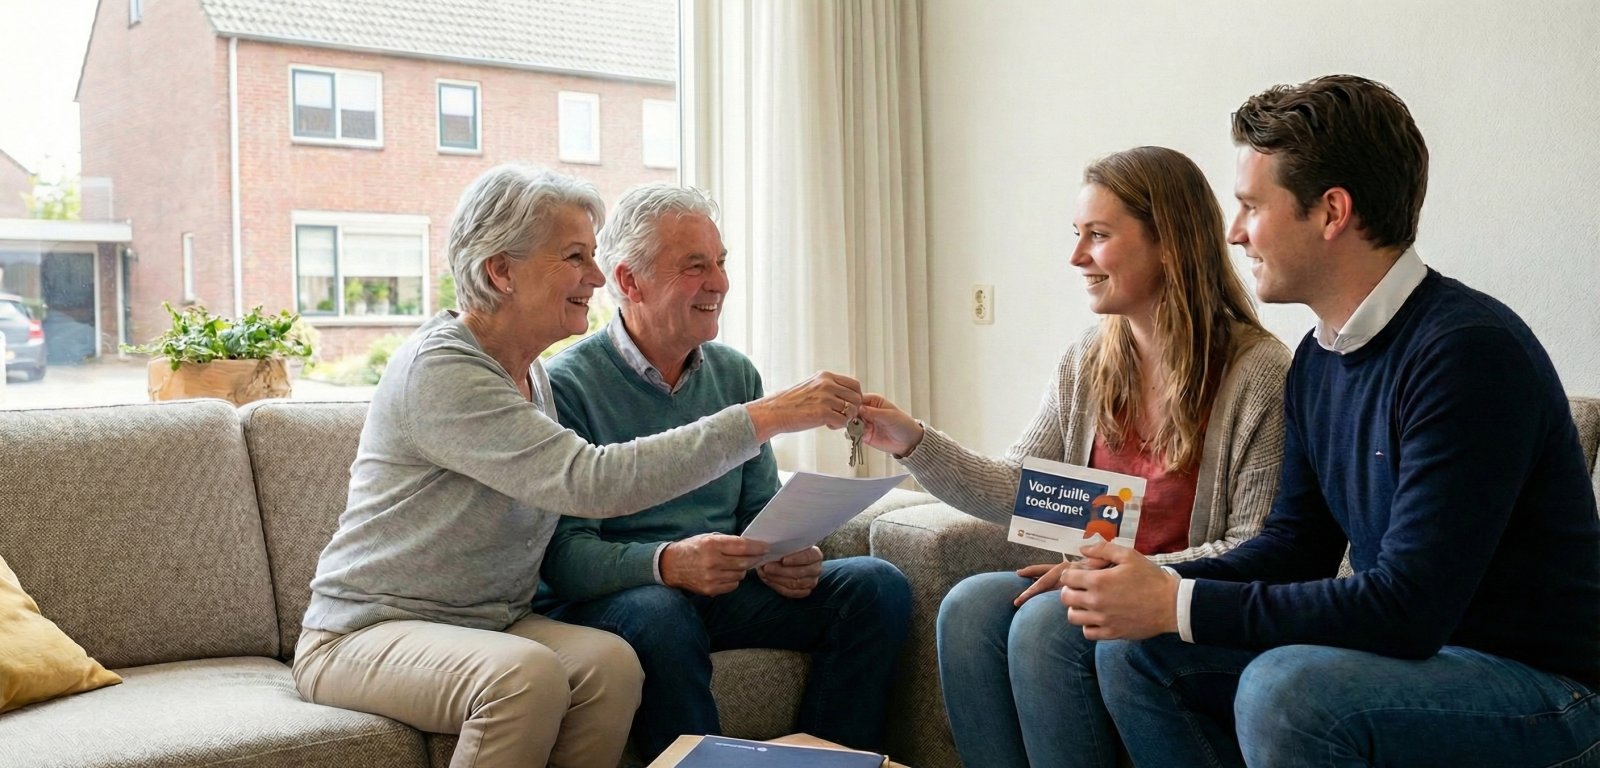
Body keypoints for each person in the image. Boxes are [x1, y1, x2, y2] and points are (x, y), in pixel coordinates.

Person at [1064, 76, 1600, 768]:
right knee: (1139, 655)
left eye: (1252, 207)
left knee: (1287, 691)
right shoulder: (1319, 359)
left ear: (1331, 212)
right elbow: (1294, 548)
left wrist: (1178, 604)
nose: (1233, 233)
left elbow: (1407, 609)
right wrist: (1153, 582)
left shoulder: (1466, 353)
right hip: (1428, 660)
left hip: (1545, 689)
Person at [291, 165, 866, 768]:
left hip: (493, 622)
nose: (596, 277)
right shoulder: (443, 370)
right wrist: (762, 418)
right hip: (365, 632)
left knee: (611, 665)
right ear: (501, 270)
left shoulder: (530, 373)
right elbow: (589, 480)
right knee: (525, 676)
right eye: (574, 257)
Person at [855, 146, 1290, 768]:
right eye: (1077, 234)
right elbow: (1019, 488)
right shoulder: (1090, 359)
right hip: (1099, 588)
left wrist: (1125, 576)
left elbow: (1256, 549)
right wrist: (912, 441)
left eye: (1099, 236)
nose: (1077, 256)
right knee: (969, 608)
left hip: (1189, 605)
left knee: (1042, 628)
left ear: (1168, 243)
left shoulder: (1258, 374)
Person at [535, 183, 912, 761]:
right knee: (663, 612)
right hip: (624, 596)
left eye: (720, 262)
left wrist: (785, 555)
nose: (719, 283)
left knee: (873, 586)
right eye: (694, 266)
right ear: (629, 281)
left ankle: (825, 759)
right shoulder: (567, 385)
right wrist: (667, 564)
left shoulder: (735, 375)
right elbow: (561, 558)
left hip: (720, 590)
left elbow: (756, 513)